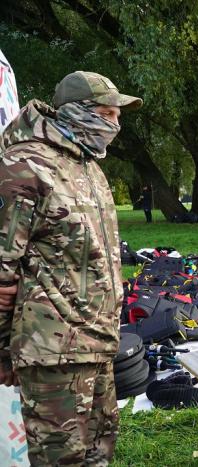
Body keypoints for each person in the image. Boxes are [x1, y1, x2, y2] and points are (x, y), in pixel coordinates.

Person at [0, 71, 142, 465]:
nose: (115, 124)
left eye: (118, 115)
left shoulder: (89, 167)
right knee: (60, 460)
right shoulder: (24, 164)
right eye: (107, 113)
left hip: (98, 342)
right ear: (77, 111)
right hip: (53, 352)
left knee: (100, 453)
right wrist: (4, 352)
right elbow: (3, 269)